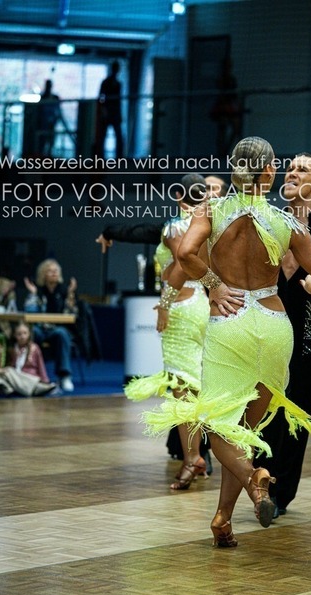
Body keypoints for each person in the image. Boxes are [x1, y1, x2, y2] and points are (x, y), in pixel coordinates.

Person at [141, 137, 311, 547]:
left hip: (231, 320)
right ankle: (223, 519)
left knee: (218, 426)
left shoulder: (212, 210)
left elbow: (186, 253)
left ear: (233, 168)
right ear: (269, 173)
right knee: (244, 430)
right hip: (275, 325)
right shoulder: (288, 223)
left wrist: (214, 285)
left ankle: (254, 479)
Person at [97, 174, 212, 489]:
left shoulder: (175, 227)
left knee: (183, 388)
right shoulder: (207, 227)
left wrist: (164, 304)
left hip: (181, 309)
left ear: (178, 196)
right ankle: (197, 456)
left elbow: (182, 264)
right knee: (194, 387)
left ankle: (192, 459)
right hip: (200, 303)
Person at [255, 152, 311, 518]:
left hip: (307, 340)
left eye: (302, 169)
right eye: (290, 168)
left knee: (296, 417)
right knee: (262, 412)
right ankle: (259, 480)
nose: (292, 172)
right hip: (265, 334)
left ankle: (280, 494)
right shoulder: (267, 223)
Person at [24, 259, 78, 392]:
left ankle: (64, 375)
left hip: (57, 328)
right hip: (41, 328)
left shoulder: (64, 291)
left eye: (56, 271)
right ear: (43, 274)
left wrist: (71, 295)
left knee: (61, 333)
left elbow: (72, 314)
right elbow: (30, 312)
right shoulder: (38, 290)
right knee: (33, 332)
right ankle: (32, 373)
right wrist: (33, 294)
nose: (54, 273)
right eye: (50, 271)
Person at [0, 321, 56, 397]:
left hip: (29, 377)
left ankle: (33, 388)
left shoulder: (34, 348)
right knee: (7, 371)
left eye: (25, 333)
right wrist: (0, 354)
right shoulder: (12, 349)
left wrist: (45, 381)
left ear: (29, 334)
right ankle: (7, 388)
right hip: (15, 377)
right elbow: (4, 366)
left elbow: (41, 365)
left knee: (8, 371)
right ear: (14, 335)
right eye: (19, 334)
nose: (22, 336)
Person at [96, 60, 124, 159]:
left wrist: (119, 114)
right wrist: (103, 110)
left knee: (118, 136)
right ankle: (101, 157)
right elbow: (100, 97)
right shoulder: (106, 82)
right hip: (107, 112)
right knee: (103, 136)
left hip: (114, 113)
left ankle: (119, 157)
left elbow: (118, 100)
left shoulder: (118, 84)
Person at [38, 79, 62, 157]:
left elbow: (58, 111)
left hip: (52, 123)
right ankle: (42, 156)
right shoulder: (42, 98)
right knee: (43, 142)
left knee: (50, 142)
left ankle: (48, 155)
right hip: (43, 124)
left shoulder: (54, 98)